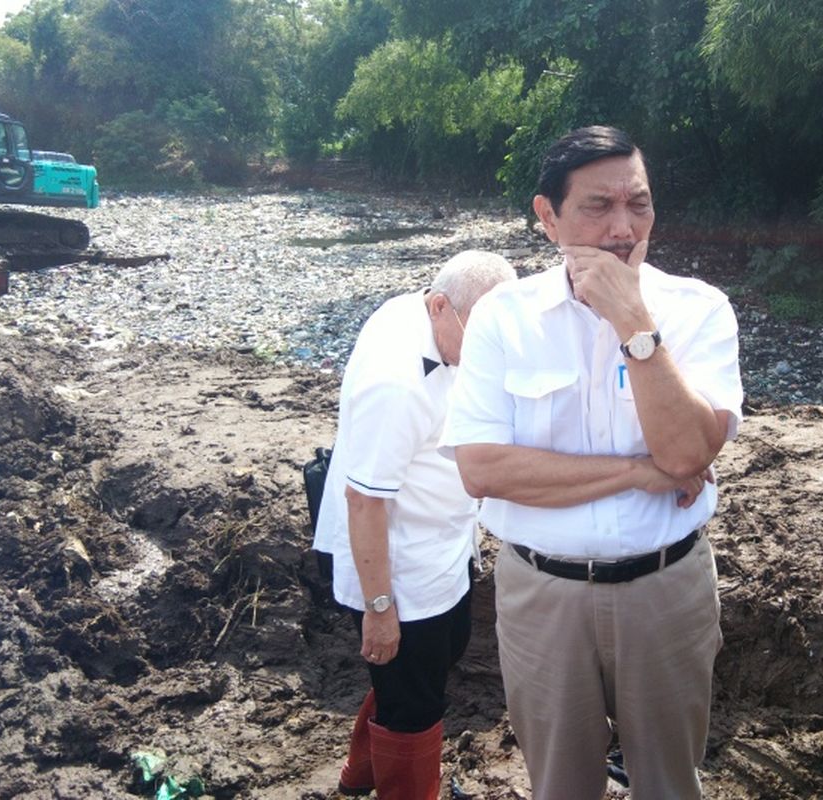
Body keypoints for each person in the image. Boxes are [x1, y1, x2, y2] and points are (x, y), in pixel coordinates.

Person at [441, 125, 743, 800]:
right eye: (598, 207)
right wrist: (641, 471)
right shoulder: (502, 319)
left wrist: (636, 328)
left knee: (670, 784)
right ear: (548, 217)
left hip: (666, 591)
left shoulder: (698, 311)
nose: (623, 227)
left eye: (638, 204)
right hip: (542, 595)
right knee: (560, 786)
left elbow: (691, 452)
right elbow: (483, 469)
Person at [311, 250, 516, 798]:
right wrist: (379, 611)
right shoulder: (396, 384)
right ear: (440, 306)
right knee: (414, 702)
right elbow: (364, 501)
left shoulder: (424, 314)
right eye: (483, 334)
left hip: (444, 539)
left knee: (438, 655)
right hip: (397, 564)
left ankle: (361, 774)